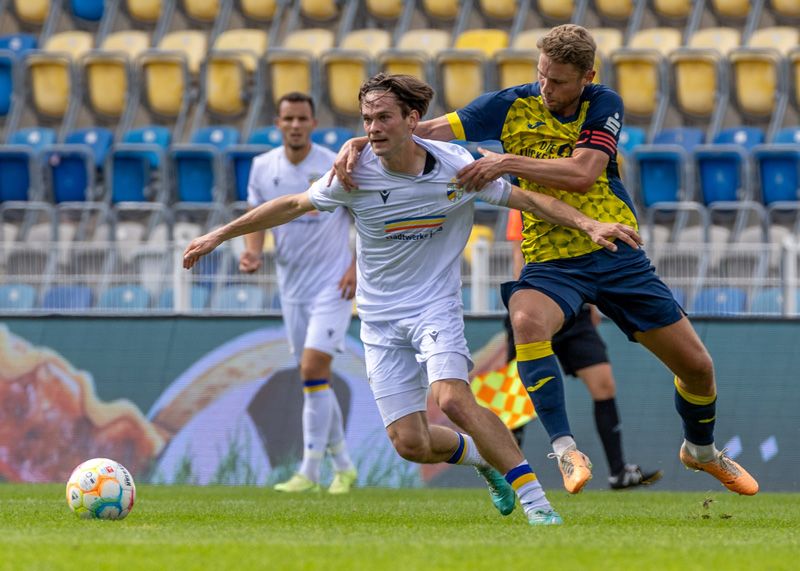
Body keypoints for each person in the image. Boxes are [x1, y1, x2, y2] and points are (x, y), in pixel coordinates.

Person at [184, 73, 643, 525]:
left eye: (383, 118)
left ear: (413, 119)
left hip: (433, 307)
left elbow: (530, 203)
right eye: (366, 120)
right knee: (410, 444)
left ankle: (537, 503)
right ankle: (483, 461)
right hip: (380, 319)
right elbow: (293, 205)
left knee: (453, 399)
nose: (372, 129)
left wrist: (588, 224)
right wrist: (220, 234)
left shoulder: (455, 167)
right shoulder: (352, 173)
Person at [331, 26, 759, 497]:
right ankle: (566, 448)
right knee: (526, 320)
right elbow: (416, 130)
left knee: (697, 367)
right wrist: (357, 144)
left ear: (586, 77)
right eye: (541, 75)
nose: (545, 88)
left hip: (614, 249)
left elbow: (582, 174)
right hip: (551, 260)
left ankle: (700, 451)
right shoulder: (510, 104)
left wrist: (505, 161)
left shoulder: (603, 104)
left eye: (557, 82)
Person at [242, 92, 358, 494]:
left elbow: (363, 212)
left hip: (332, 285)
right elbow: (257, 218)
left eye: (302, 118)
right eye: (288, 118)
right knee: (316, 376)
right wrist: (252, 253)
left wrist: (355, 266)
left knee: (312, 370)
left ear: (313, 123)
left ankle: (309, 472)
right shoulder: (262, 168)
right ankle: (343, 465)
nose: (294, 125)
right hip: (291, 289)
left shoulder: (333, 162)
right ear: (278, 123)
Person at [506, 209, 662, 490]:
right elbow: (519, 252)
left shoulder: (584, 200)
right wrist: (525, 302)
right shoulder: (527, 196)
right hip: (536, 302)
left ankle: (618, 472)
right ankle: (507, 472)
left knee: (604, 384)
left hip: (576, 304)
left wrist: (591, 302)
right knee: (518, 397)